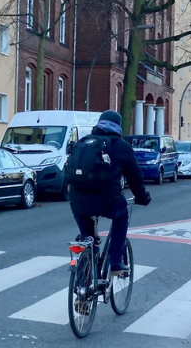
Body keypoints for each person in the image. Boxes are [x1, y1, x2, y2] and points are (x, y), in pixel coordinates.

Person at [68, 110, 151, 275]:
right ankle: (115, 262)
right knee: (121, 217)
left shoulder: (84, 142)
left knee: (87, 236)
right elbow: (134, 177)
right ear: (118, 127)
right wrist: (142, 196)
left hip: (78, 200)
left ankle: (84, 282)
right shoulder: (122, 147)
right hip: (108, 200)